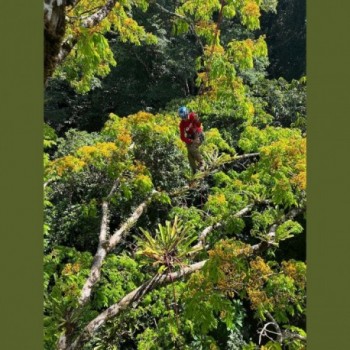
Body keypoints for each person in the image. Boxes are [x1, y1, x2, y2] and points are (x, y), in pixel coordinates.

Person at [178, 106, 204, 174]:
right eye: (183, 118)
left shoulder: (193, 116)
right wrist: (191, 141)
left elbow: (198, 125)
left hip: (198, 134)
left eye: (186, 117)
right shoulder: (182, 124)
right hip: (190, 137)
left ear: (187, 114)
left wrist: (197, 119)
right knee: (189, 155)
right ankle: (194, 171)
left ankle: (202, 162)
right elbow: (182, 137)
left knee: (192, 148)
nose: (185, 119)